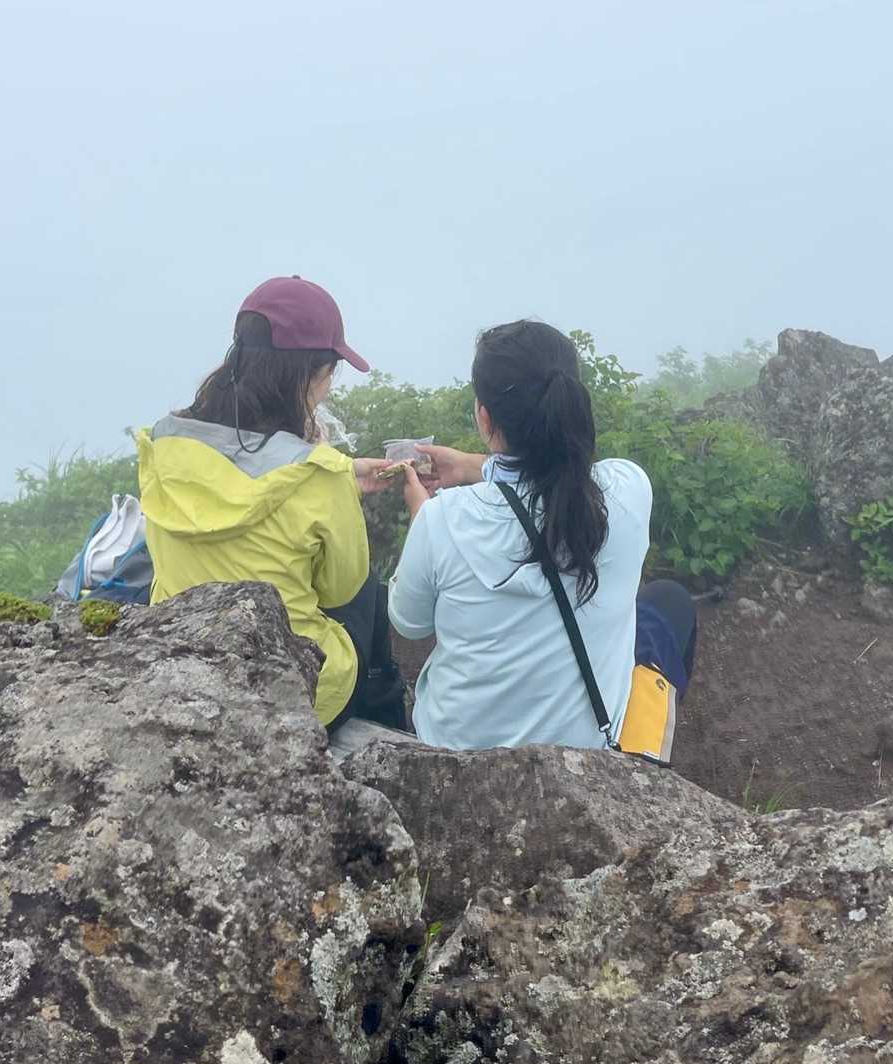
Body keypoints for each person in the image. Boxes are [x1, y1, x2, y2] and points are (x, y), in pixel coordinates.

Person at [385, 319, 698, 750]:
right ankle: (642, 751)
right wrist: (474, 466)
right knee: (668, 603)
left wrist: (423, 515)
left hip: (456, 760)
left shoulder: (442, 520)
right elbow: (556, 473)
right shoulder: (628, 490)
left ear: (484, 417)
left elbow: (409, 623)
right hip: (585, 758)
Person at [136, 276, 402, 726]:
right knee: (365, 587)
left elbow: (237, 478)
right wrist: (331, 475)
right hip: (294, 697)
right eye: (331, 373)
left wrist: (340, 476)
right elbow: (338, 590)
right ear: (311, 374)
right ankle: (387, 724)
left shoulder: (163, 444)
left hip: (181, 669)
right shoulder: (320, 473)